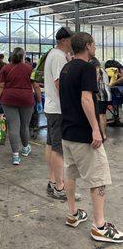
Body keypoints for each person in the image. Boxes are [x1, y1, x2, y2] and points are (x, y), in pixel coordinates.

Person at [59, 32, 123, 243]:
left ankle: (73, 214)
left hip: (67, 132)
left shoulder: (66, 67)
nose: (95, 47)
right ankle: (100, 226)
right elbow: (86, 99)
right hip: (82, 134)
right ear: (87, 46)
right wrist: (96, 129)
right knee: (99, 177)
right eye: (94, 44)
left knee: (70, 173)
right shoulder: (87, 67)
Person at [0, 47, 42, 165]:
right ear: (23, 56)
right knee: (24, 126)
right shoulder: (29, 68)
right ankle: (25, 148)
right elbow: (36, 87)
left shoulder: (5, 68)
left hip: (8, 99)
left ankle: (15, 156)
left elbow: (1, 86)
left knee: (13, 127)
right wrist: (39, 101)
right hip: (26, 99)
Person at [44, 27, 74, 199]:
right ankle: (60, 187)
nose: (73, 43)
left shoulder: (53, 55)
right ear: (64, 40)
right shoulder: (58, 57)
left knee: (50, 144)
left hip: (51, 108)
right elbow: (59, 83)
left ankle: (52, 181)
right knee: (58, 148)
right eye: (71, 40)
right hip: (58, 109)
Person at [89, 57, 111, 140]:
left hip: (101, 95)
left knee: (101, 115)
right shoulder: (103, 70)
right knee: (103, 114)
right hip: (106, 95)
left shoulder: (97, 71)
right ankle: (104, 133)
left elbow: (95, 82)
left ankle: (103, 134)